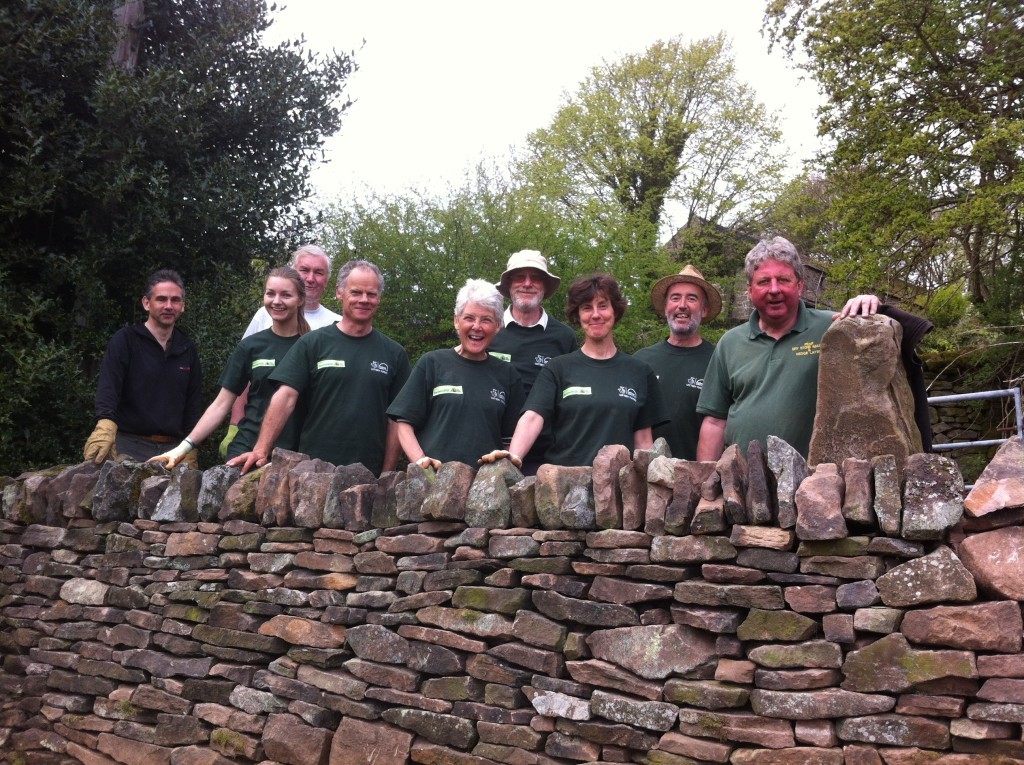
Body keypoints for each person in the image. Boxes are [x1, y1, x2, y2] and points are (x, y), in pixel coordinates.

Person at [696, 236, 878, 460]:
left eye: (783, 280)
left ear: (800, 285)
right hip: (743, 482)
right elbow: (714, 422)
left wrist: (869, 305)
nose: (774, 290)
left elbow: (879, 352)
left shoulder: (832, 328)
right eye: (764, 281)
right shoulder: (730, 342)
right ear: (750, 290)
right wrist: (707, 480)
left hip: (815, 484)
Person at [229, 259, 411, 476]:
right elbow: (285, 397)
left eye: (371, 294)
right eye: (356, 292)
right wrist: (261, 449)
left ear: (379, 298)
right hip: (312, 472)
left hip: (368, 475)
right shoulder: (312, 343)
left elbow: (397, 419)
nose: (364, 299)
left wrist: (387, 473)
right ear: (339, 293)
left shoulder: (394, 353)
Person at [484, 273, 668, 468]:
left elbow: (643, 441)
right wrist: (512, 458)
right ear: (577, 316)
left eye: (603, 306)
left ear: (615, 311)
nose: (595, 314)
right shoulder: (557, 368)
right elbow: (532, 417)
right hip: (564, 486)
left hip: (616, 490)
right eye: (587, 308)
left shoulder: (639, 371)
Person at [148, 267, 310, 468]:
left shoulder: (313, 346)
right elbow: (221, 404)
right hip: (245, 452)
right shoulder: (251, 346)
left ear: (301, 299)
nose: (276, 301)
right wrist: (183, 448)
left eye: (286, 295)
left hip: (294, 457)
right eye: (270, 294)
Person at [387, 279, 525, 467]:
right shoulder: (432, 363)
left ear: (498, 325)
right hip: (433, 483)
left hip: (486, 488)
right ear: (456, 320)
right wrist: (422, 464)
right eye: (469, 318)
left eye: (486, 320)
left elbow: (510, 441)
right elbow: (403, 423)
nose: (477, 326)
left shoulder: (508, 375)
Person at [224, 245, 342, 453]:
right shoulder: (266, 313)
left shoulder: (337, 322)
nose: (311, 278)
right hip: (255, 435)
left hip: (306, 439)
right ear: (293, 273)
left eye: (319, 272)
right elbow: (244, 374)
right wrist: (234, 424)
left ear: (327, 279)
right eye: (304, 270)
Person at [84, 269, 202, 463]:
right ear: (146, 303)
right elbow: (109, 388)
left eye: (175, 300)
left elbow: (193, 404)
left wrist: (189, 446)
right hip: (129, 446)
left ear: (183, 306)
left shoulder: (187, 348)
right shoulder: (126, 341)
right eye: (161, 299)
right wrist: (104, 423)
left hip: (172, 452)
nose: (168, 306)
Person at [487, 249, 578, 470]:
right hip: (487, 449)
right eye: (519, 277)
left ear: (545, 286)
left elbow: (571, 399)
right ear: (508, 284)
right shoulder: (488, 329)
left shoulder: (564, 337)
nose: (527, 283)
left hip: (547, 457)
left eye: (535, 277)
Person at [634, 265, 722, 461]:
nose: (682, 305)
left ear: (704, 309)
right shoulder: (641, 361)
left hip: (699, 479)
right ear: (666, 307)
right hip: (647, 480)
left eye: (692, 298)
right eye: (675, 298)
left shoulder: (719, 361)